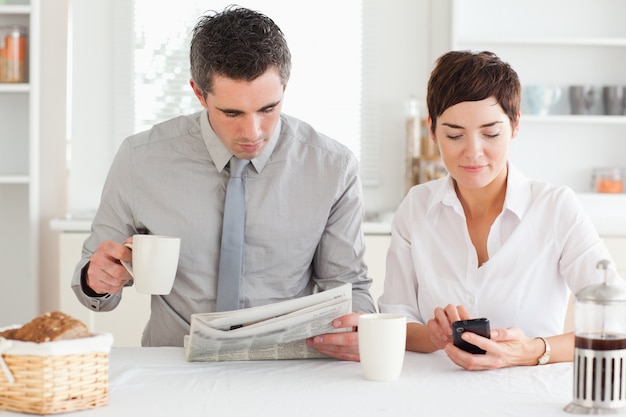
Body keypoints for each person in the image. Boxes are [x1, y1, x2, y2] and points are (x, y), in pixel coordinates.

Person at [71, 6, 374, 360]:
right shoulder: (140, 159)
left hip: (286, 368)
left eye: (268, 108)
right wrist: (98, 280)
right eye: (232, 113)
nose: (253, 133)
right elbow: (92, 285)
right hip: (172, 365)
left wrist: (360, 324)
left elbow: (350, 287)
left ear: (285, 88)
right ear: (199, 94)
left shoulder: (332, 168)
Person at [378, 50, 623, 370]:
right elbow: (394, 321)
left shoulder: (555, 207)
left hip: (529, 394)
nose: (473, 152)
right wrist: (434, 336)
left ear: (515, 125)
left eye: (491, 133)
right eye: (454, 135)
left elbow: (616, 319)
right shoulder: (417, 207)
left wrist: (534, 350)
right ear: (432, 130)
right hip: (435, 392)